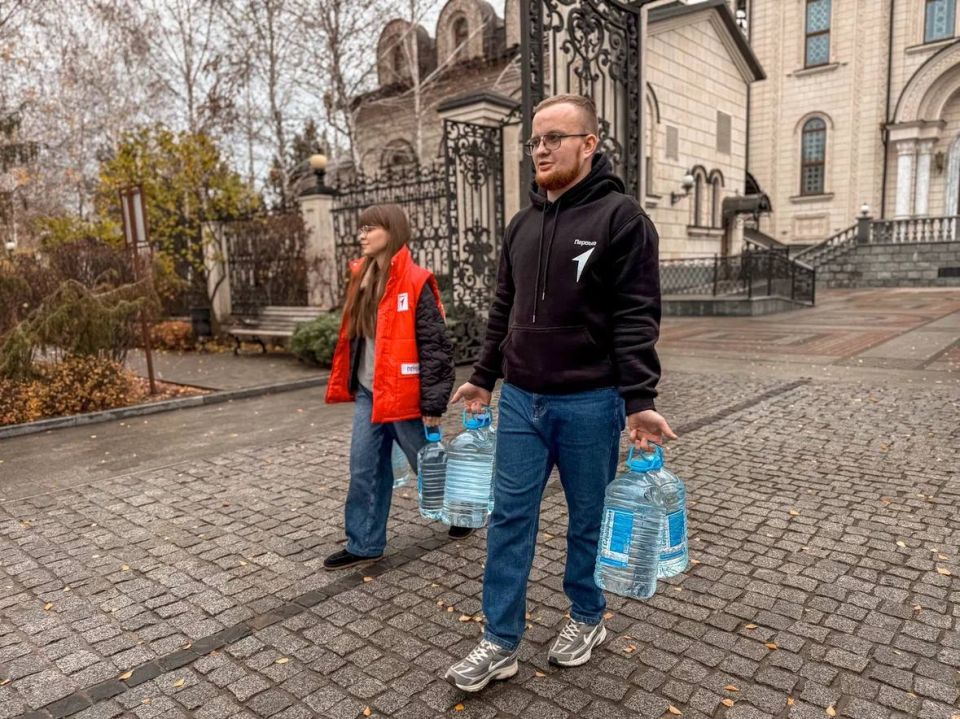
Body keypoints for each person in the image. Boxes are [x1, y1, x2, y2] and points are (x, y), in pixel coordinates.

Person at [444, 95, 677, 691]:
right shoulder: (521, 225)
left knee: (587, 520)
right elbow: (504, 308)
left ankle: (587, 615)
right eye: (535, 140)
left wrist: (639, 398)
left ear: (589, 144)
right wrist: (483, 376)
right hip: (522, 400)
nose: (541, 149)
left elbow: (636, 314)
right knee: (509, 519)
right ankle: (500, 640)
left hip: (590, 401)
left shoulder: (622, 219)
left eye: (555, 137)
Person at [323, 203, 470, 571]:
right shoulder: (361, 277)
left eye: (369, 228)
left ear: (392, 231)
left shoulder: (415, 280)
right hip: (369, 393)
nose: (361, 235)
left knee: (427, 463)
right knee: (364, 468)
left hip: (405, 396)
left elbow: (436, 346)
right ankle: (364, 543)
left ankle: (462, 511)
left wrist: (433, 403)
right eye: (361, 228)